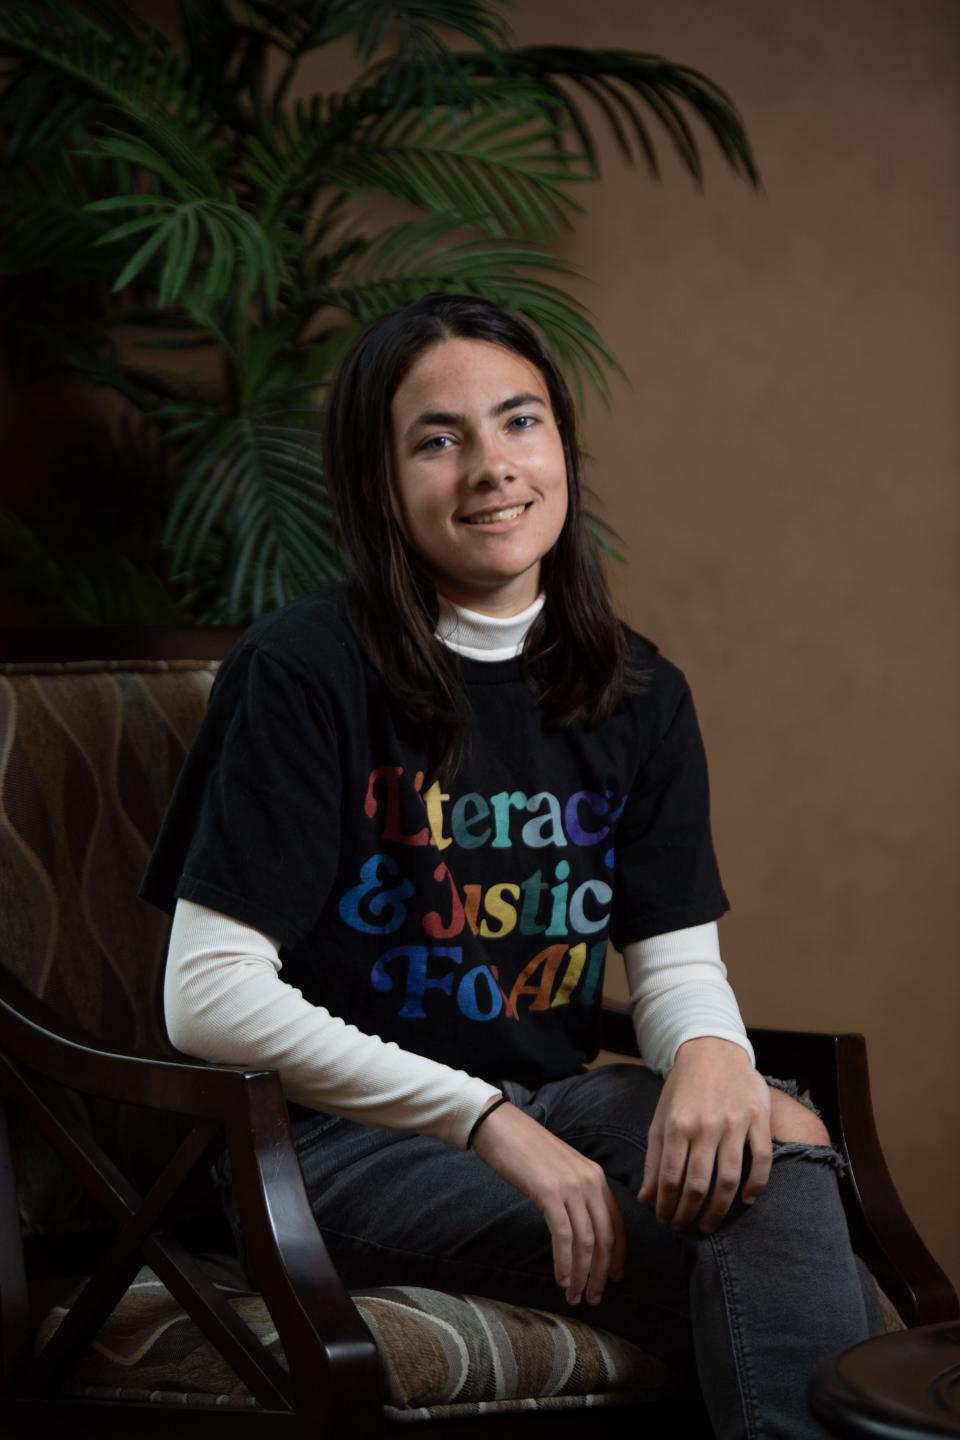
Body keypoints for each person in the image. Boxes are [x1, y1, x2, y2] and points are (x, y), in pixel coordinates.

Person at [141, 292, 884, 1438]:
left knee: (768, 1157)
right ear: (380, 484)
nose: (490, 468)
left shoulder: (637, 691)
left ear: (562, 450)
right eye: (438, 440)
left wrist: (714, 1063)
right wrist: (488, 1121)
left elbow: (679, 965)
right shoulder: (302, 675)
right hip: (325, 1146)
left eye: (519, 423)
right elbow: (206, 996)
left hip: (560, 1096)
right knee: (733, 1257)